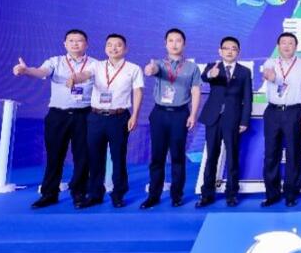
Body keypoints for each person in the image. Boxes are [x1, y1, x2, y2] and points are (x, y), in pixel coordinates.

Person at [12, 29, 95, 209]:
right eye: (71, 40)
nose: (75, 44)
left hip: (85, 115)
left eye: (79, 41)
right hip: (58, 115)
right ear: (64, 44)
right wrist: (26, 70)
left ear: (86, 44)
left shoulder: (95, 64)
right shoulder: (55, 61)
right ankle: (49, 194)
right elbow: (41, 72)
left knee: (83, 156)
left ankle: (79, 193)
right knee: (54, 155)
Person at [68, 33, 143, 209]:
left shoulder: (133, 68)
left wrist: (135, 115)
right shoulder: (97, 65)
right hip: (96, 117)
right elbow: (85, 75)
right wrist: (74, 78)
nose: (113, 48)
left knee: (118, 157)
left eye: (118, 45)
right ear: (105, 48)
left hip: (119, 117)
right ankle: (95, 194)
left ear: (125, 49)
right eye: (109, 44)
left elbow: (138, 91)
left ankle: (118, 194)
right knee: (94, 157)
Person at [141, 28, 202, 209]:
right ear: (165, 43)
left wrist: (193, 114)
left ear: (184, 44)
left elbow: (195, 91)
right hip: (159, 114)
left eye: (178, 40)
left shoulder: (191, 67)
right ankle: (154, 195)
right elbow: (152, 70)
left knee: (177, 156)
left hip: (180, 114)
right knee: (157, 157)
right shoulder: (159, 64)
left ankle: (177, 195)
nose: (174, 44)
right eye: (171, 40)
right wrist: (149, 69)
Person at [196, 36, 252, 208]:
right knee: (212, 156)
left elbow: (247, 98)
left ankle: (232, 194)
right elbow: (204, 77)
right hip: (213, 118)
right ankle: (207, 194)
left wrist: (244, 120)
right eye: (226, 48)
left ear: (238, 52)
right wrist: (210, 75)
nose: (229, 51)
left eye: (233, 48)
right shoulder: (212, 67)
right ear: (220, 51)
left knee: (232, 157)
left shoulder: (244, 72)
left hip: (233, 119)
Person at [260, 32, 301, 207]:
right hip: (273, 112)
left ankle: (291, 193)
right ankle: (272, 194)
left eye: (291, 43)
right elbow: (267, 74)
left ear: (296, 46)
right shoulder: (270, 62)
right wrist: (272, 77)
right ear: (278, 46)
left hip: (294, 112)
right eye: (283, 42)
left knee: (293, 154)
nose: (287, 46)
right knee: (271, 154)